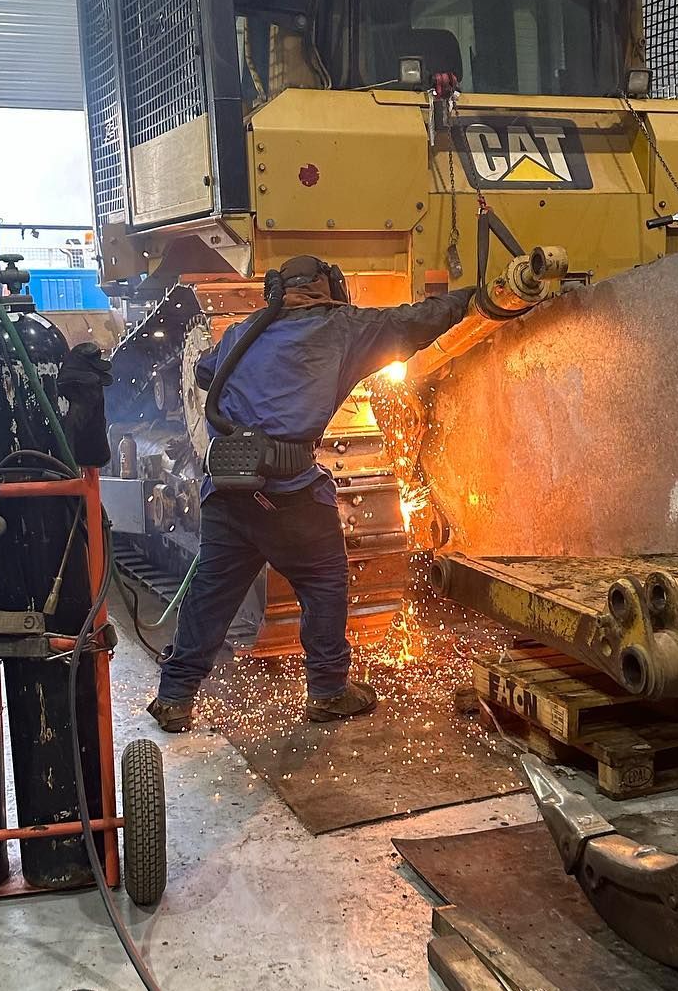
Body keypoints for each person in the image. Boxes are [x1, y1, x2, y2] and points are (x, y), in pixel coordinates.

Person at [149, 256, 476, 731]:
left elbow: (205, 373)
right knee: (324, 582)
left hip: (229, 489)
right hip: (290, 493)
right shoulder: (342, 327)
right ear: (329, 288)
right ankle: (327, 690)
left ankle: (176, 697)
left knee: (211, 594)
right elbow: (412, 322)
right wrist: (468, 299)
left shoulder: (244, 331)